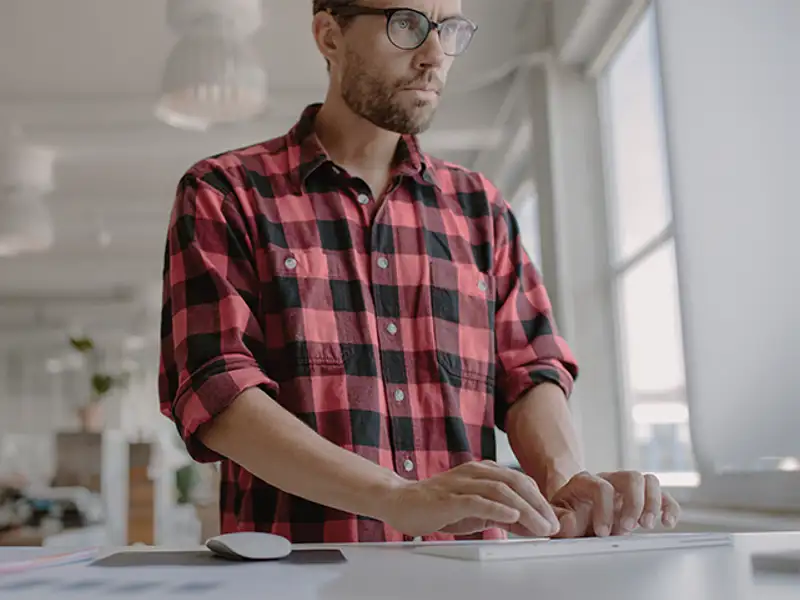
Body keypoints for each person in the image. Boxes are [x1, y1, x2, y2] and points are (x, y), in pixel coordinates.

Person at [158, 0, 681, 544]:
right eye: (406, 25)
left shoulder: (481, 209)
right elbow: (217, 391)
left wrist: (562, 480)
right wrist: (394, 497)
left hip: (467, 579)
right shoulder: (225, 194)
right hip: (297, 579)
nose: (435, 55)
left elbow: (530, 368)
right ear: (329, 36)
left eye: (449, 29)